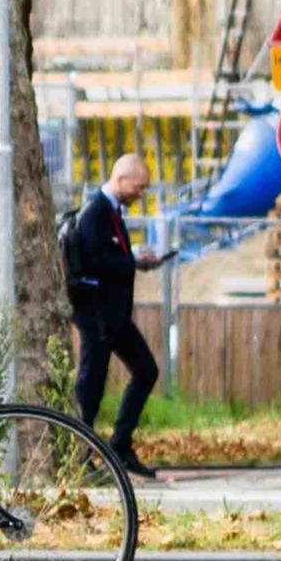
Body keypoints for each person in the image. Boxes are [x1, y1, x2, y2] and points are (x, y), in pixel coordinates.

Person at [72, 152, 167, 479]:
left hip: (114, 316)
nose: (140, 194)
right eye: (138, 187)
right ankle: (79, 455)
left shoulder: (112, 213)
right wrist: (134, 262)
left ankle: (120, 445)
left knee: (146, 371)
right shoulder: (95, 212)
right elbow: (95, 261)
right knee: (90, 387)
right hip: (97, 316)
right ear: (122, 178)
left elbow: (110, 256)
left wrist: (135, 259)